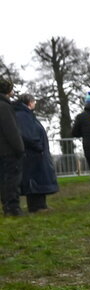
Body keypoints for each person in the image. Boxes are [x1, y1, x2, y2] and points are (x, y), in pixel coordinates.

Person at [14, 94, 59, 212]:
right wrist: (38, 146)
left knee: (40, 179)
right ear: (29, 102)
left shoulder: (25, 115)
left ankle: (41, 204)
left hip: (35, 153)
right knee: (34, 180)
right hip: (33, 153)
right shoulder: (23, 116)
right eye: (34, 101)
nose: (35, 104)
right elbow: (28, 134)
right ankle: (36, 206)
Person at [0, 78, 25, 217]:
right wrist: (20, 148)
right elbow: (11, 130)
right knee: (12, 180)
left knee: (3, 181)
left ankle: (6, 206)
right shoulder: (4, 107)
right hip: (8, 151)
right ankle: (13, 208)